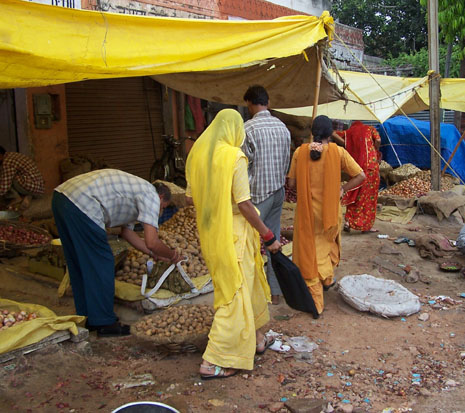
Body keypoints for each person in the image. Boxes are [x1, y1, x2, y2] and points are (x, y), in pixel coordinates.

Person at [185, 109, 282, 380]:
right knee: (233, 295)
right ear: (234, 130)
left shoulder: (197, 155)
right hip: (234, 235)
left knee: (245, 287)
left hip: (211, 234)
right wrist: (268, 236)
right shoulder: (234, 157)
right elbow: (244, 204)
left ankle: (257, 338)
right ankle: (214, 359)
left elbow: (191, 198)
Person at [52, 169, 183, 337]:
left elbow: (127, 233)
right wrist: (172, 255)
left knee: (79, 262)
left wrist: (153, 254)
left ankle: (87, 317)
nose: (160, 212)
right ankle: (105, 323)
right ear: (160, 198)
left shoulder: (136, 193)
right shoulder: (151, 195)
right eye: (163, 207)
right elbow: (152, 241)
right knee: (103, 262)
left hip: (61, 197)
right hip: (82, 203)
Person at [287, 115, 366, 315]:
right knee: (324, 248)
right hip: (330, 213)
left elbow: (292, 184)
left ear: (312, 132)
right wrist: (342, 189)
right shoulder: (338, 152)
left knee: (310, 254)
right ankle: (326, 283)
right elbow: (360, 175)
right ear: (330, 133)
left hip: (307, 214)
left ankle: (316, 300)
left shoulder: (300, 152)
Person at [242, 85, 291, 305]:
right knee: (274, 242)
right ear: (268, 103)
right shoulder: (283, 127)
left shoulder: (248, 129)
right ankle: (276, 292)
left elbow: (241, 166)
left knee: (249, 244)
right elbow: (286, 161)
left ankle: (250, 294)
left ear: (249, 104)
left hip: (258, 195)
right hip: (278, 191)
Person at [332, 121, 382, 233]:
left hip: (356, 166)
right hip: (371, 166)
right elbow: (378, 140)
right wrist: (375, 148)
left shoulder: (349, 132)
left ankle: (348, 221)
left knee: (355, 192)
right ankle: (366, 225)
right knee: (369, 196)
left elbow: (335, 135)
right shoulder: (370, 129)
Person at [0, 146, 45, 210]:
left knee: (7, 179)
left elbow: (4, 187)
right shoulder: (11, 155)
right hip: (38, 188)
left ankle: (15, 198)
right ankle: (27, 196)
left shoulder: (7, 162)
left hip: (33, 187)